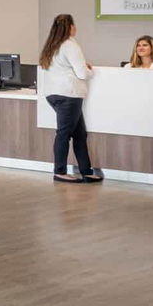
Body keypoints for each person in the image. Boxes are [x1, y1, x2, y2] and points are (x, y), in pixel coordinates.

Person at [38, 13, 102, 184]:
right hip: (69, 95)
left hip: (53, 94)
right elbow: (82, 73)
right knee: (64, 134)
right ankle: (59, 171)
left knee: (80, 134)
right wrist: (90, 70)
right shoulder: (70, 45)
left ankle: (86, 171)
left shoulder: (52, 46)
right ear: (71, 27)